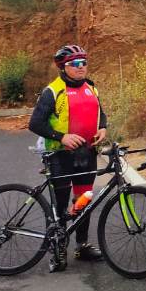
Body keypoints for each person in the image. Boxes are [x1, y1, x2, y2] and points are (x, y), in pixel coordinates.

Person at [28, 45, 108, 266]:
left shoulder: (91, 87)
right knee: (61, 205)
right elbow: (35, 123)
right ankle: (59, 247)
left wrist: (103, 128)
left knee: (84, 200)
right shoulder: (53, 91)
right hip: (60, 154)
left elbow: (101, 113)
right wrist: (61, 137)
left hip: (86, 153)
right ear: (63, 67)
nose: (81, 67)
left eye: (84, 63)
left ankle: (82, 246)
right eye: (75, 64)